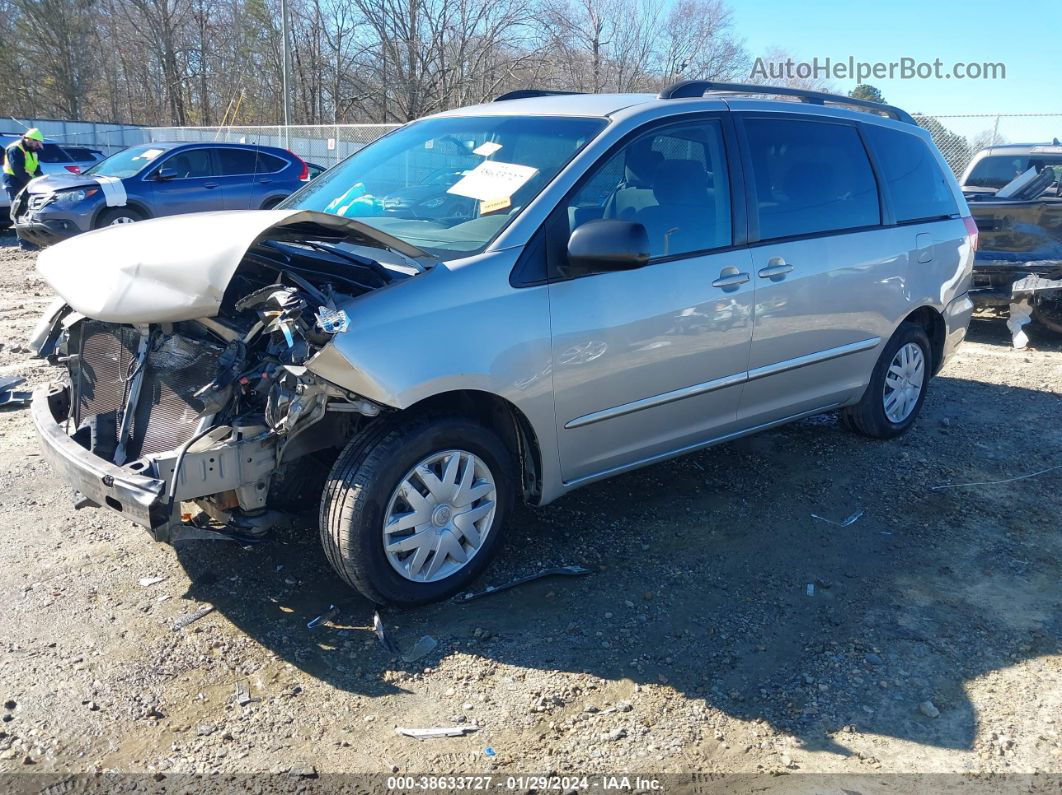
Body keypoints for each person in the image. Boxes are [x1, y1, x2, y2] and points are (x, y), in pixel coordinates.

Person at [3, 128, 44, 249]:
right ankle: (25, 243)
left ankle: (32, 241)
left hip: (27, 184)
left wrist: (40, 180)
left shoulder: (33, 151)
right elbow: (18, 170)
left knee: (29, 212)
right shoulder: (15, 149)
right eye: (37, 143)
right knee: (19, 213)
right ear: (30, 140)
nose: (38, 146)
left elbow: (36, 169)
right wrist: (31, 183)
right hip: (14, 183)